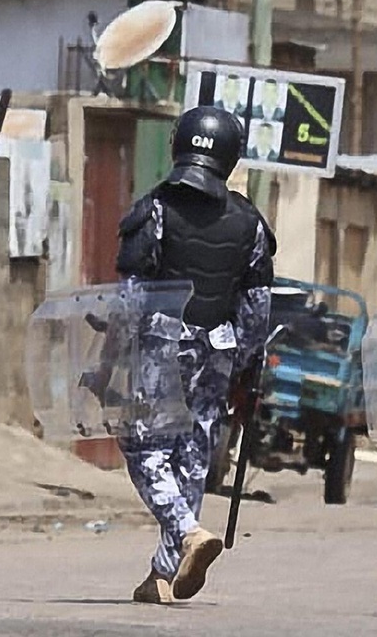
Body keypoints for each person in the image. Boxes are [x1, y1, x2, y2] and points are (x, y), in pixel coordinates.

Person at [115, 106, 276, 605]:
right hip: (219, 350)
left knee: (144, 449)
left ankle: (187, 532)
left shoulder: (156, 209)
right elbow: (256, 307)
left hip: (162, 346)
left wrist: (113, 358)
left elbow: (131, 297)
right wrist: (248, 372)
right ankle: (163, 574)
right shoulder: (250, 223)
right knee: (191, 459)